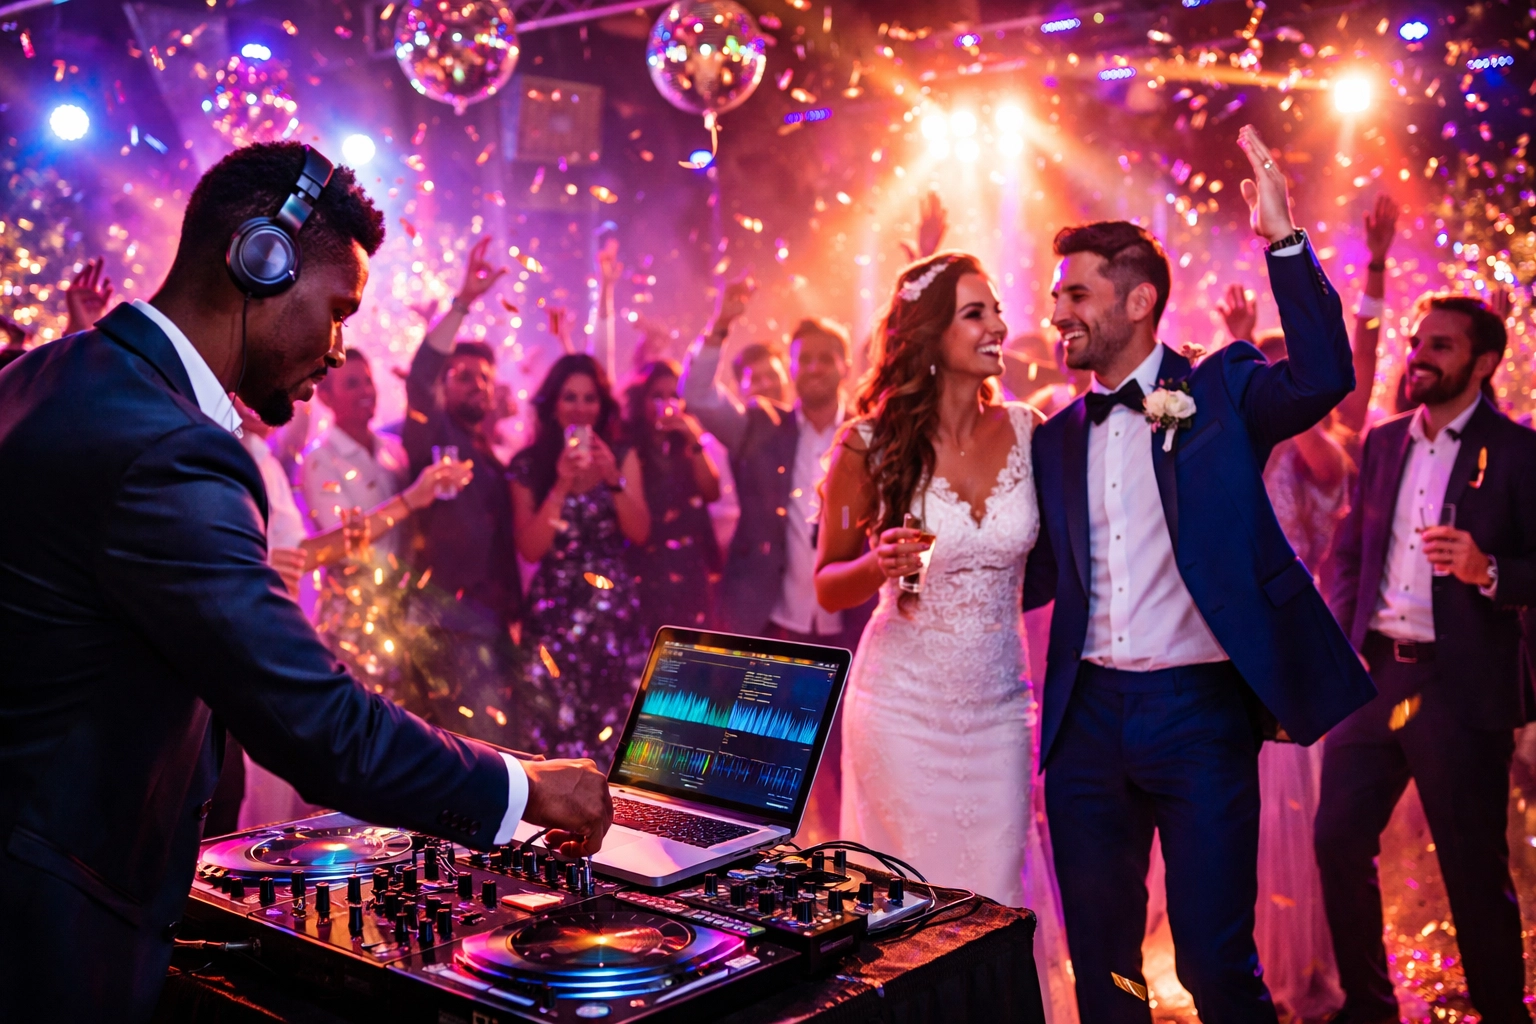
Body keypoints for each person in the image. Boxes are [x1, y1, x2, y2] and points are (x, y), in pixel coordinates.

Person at [0, 141, 610, 1022]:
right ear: (259, 259)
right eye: (336, 312)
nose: (336, 350)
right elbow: (314, 724)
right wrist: (523, 786)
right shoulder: (170, 448)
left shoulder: (44, 373)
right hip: (47, 921)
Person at [1022, 125, 1375, 1024]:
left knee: (1217, 962)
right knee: (1107, 969)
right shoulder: (1056, 439)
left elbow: (1328, 372)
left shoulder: (1220, 391)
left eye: (1076, 294)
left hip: (1200, 716)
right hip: (1086, 724)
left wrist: (1282, 240)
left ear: (1139, 301)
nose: (1057, 310)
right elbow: (1037, 578)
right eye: (1056, 293)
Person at [814, 252, 1078, 1023]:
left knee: (994, 901)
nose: (998, 325)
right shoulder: (867, 442)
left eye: (996, 310)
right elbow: (826, 583)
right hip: (899, 711)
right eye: (975, 313)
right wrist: (876, 563)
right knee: (911, 912)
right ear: (930, 334)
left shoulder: (1033, 433)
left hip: (999, 710)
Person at [1319, 293, 1536, 1024]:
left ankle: (1504, 1013)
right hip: (1377, 674)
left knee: (1473, 868)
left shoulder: (1517, 453)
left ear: (1482, 363)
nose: (1420, 355)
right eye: (1418, 341)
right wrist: (1348, 642)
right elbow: (1351, 549)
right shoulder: (1383, 442)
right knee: (1337, 840)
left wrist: (1490, 569)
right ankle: (1369, 1007)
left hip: (1460, 684)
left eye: (1440, 345)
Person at [402, 236, 523, 744]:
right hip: (439, 627)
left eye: (485, 378)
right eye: (465, 377)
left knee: (488, 753)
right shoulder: (430, 432)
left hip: (488, 628)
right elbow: (420, 373)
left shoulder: (493, 458)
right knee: (449, 756)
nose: (478, 385)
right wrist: (463, 304)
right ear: (445, 387)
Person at [511, 354, 651, 766]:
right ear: (553, 405)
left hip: (612, 618)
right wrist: (560, 484)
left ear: (601, 405)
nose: (580, 408)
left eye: (589, 398)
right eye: (569, 397)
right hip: (554, 618)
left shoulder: (622, 455)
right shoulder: (528, 464)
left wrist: (613, 480)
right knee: (553, 738)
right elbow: (531, 549)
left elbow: (640, 532)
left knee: (617, 734)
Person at [622, 359, 723, 635]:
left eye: (674, 396)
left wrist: (694, 439)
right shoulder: (630, 449)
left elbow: (712, 492)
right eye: (657, 396)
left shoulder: (688, 444)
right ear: (641, 401)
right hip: (645, 569)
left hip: (690, 567)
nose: (666, 404)